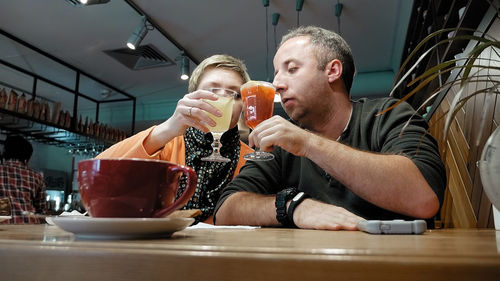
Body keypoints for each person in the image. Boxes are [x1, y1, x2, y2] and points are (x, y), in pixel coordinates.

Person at [214, 26, 446, 230]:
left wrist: (307, 143)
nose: (277, 84)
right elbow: (225, 210)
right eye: (276, 73)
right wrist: (293, 207)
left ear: (333, 70)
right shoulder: (280, 144)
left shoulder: (388, 114)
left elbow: (423, 199)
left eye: (292, 69)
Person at [97, 54, 253, 223]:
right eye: (212, 90)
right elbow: (99, 180)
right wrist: (166, 130)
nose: (223, 98)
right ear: (193, 96)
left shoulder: (251, 161)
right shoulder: (165, 144)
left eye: (235, 95)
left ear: (243, 106)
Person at [0, 135, 47, 224]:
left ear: (4, 153)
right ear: (27, 158)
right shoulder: (36, 176)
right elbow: (42, 211)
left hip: (3, 227)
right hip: (30, 225)